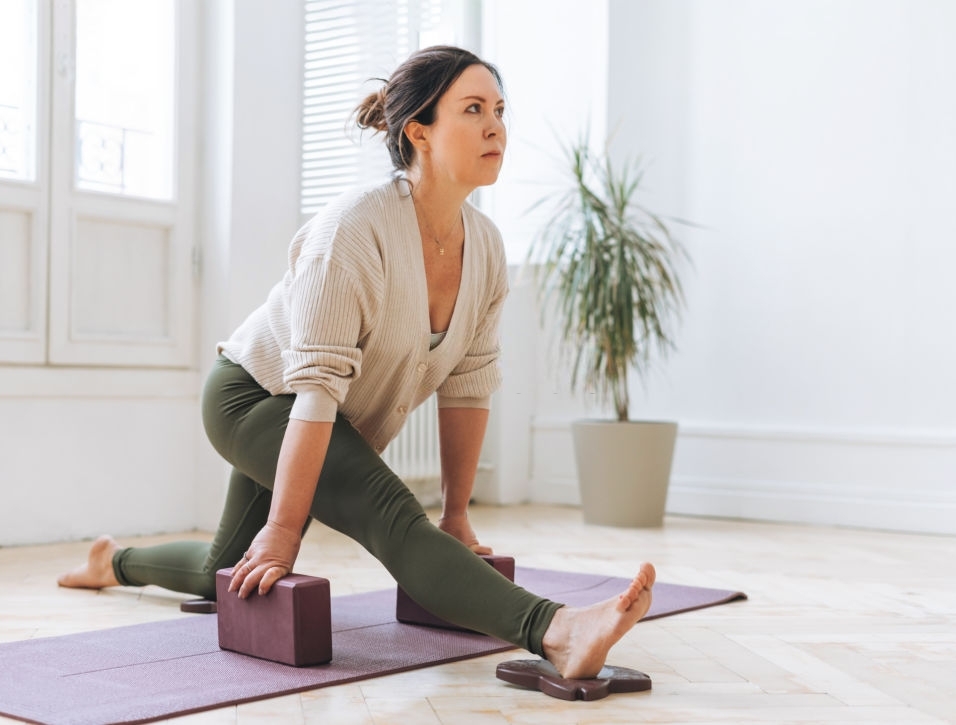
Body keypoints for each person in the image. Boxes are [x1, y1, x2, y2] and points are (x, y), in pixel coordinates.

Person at [58, 45, 654, 680]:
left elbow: (468, 386)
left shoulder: (485, 247)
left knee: (221, 572)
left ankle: (111, 562)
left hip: (312, 411)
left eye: (500, 111)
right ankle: (557, 631)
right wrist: (287, 531)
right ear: (418, 131)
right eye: (473, 109)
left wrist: (456, 513)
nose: (495, 127)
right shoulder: (354, 229)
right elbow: (313, 392)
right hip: (255, 397)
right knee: (389, 515)